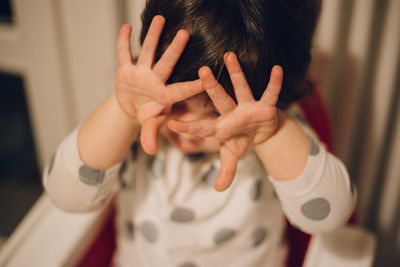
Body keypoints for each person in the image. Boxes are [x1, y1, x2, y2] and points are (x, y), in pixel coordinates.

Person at [42, 0, 356, 266]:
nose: (189, 129)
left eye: (219, 112)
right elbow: (65, 195)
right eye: (176, 103)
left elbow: (330, 215)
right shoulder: (139, 120)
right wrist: (123, 112)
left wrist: (269, 136)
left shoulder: (271, 125)